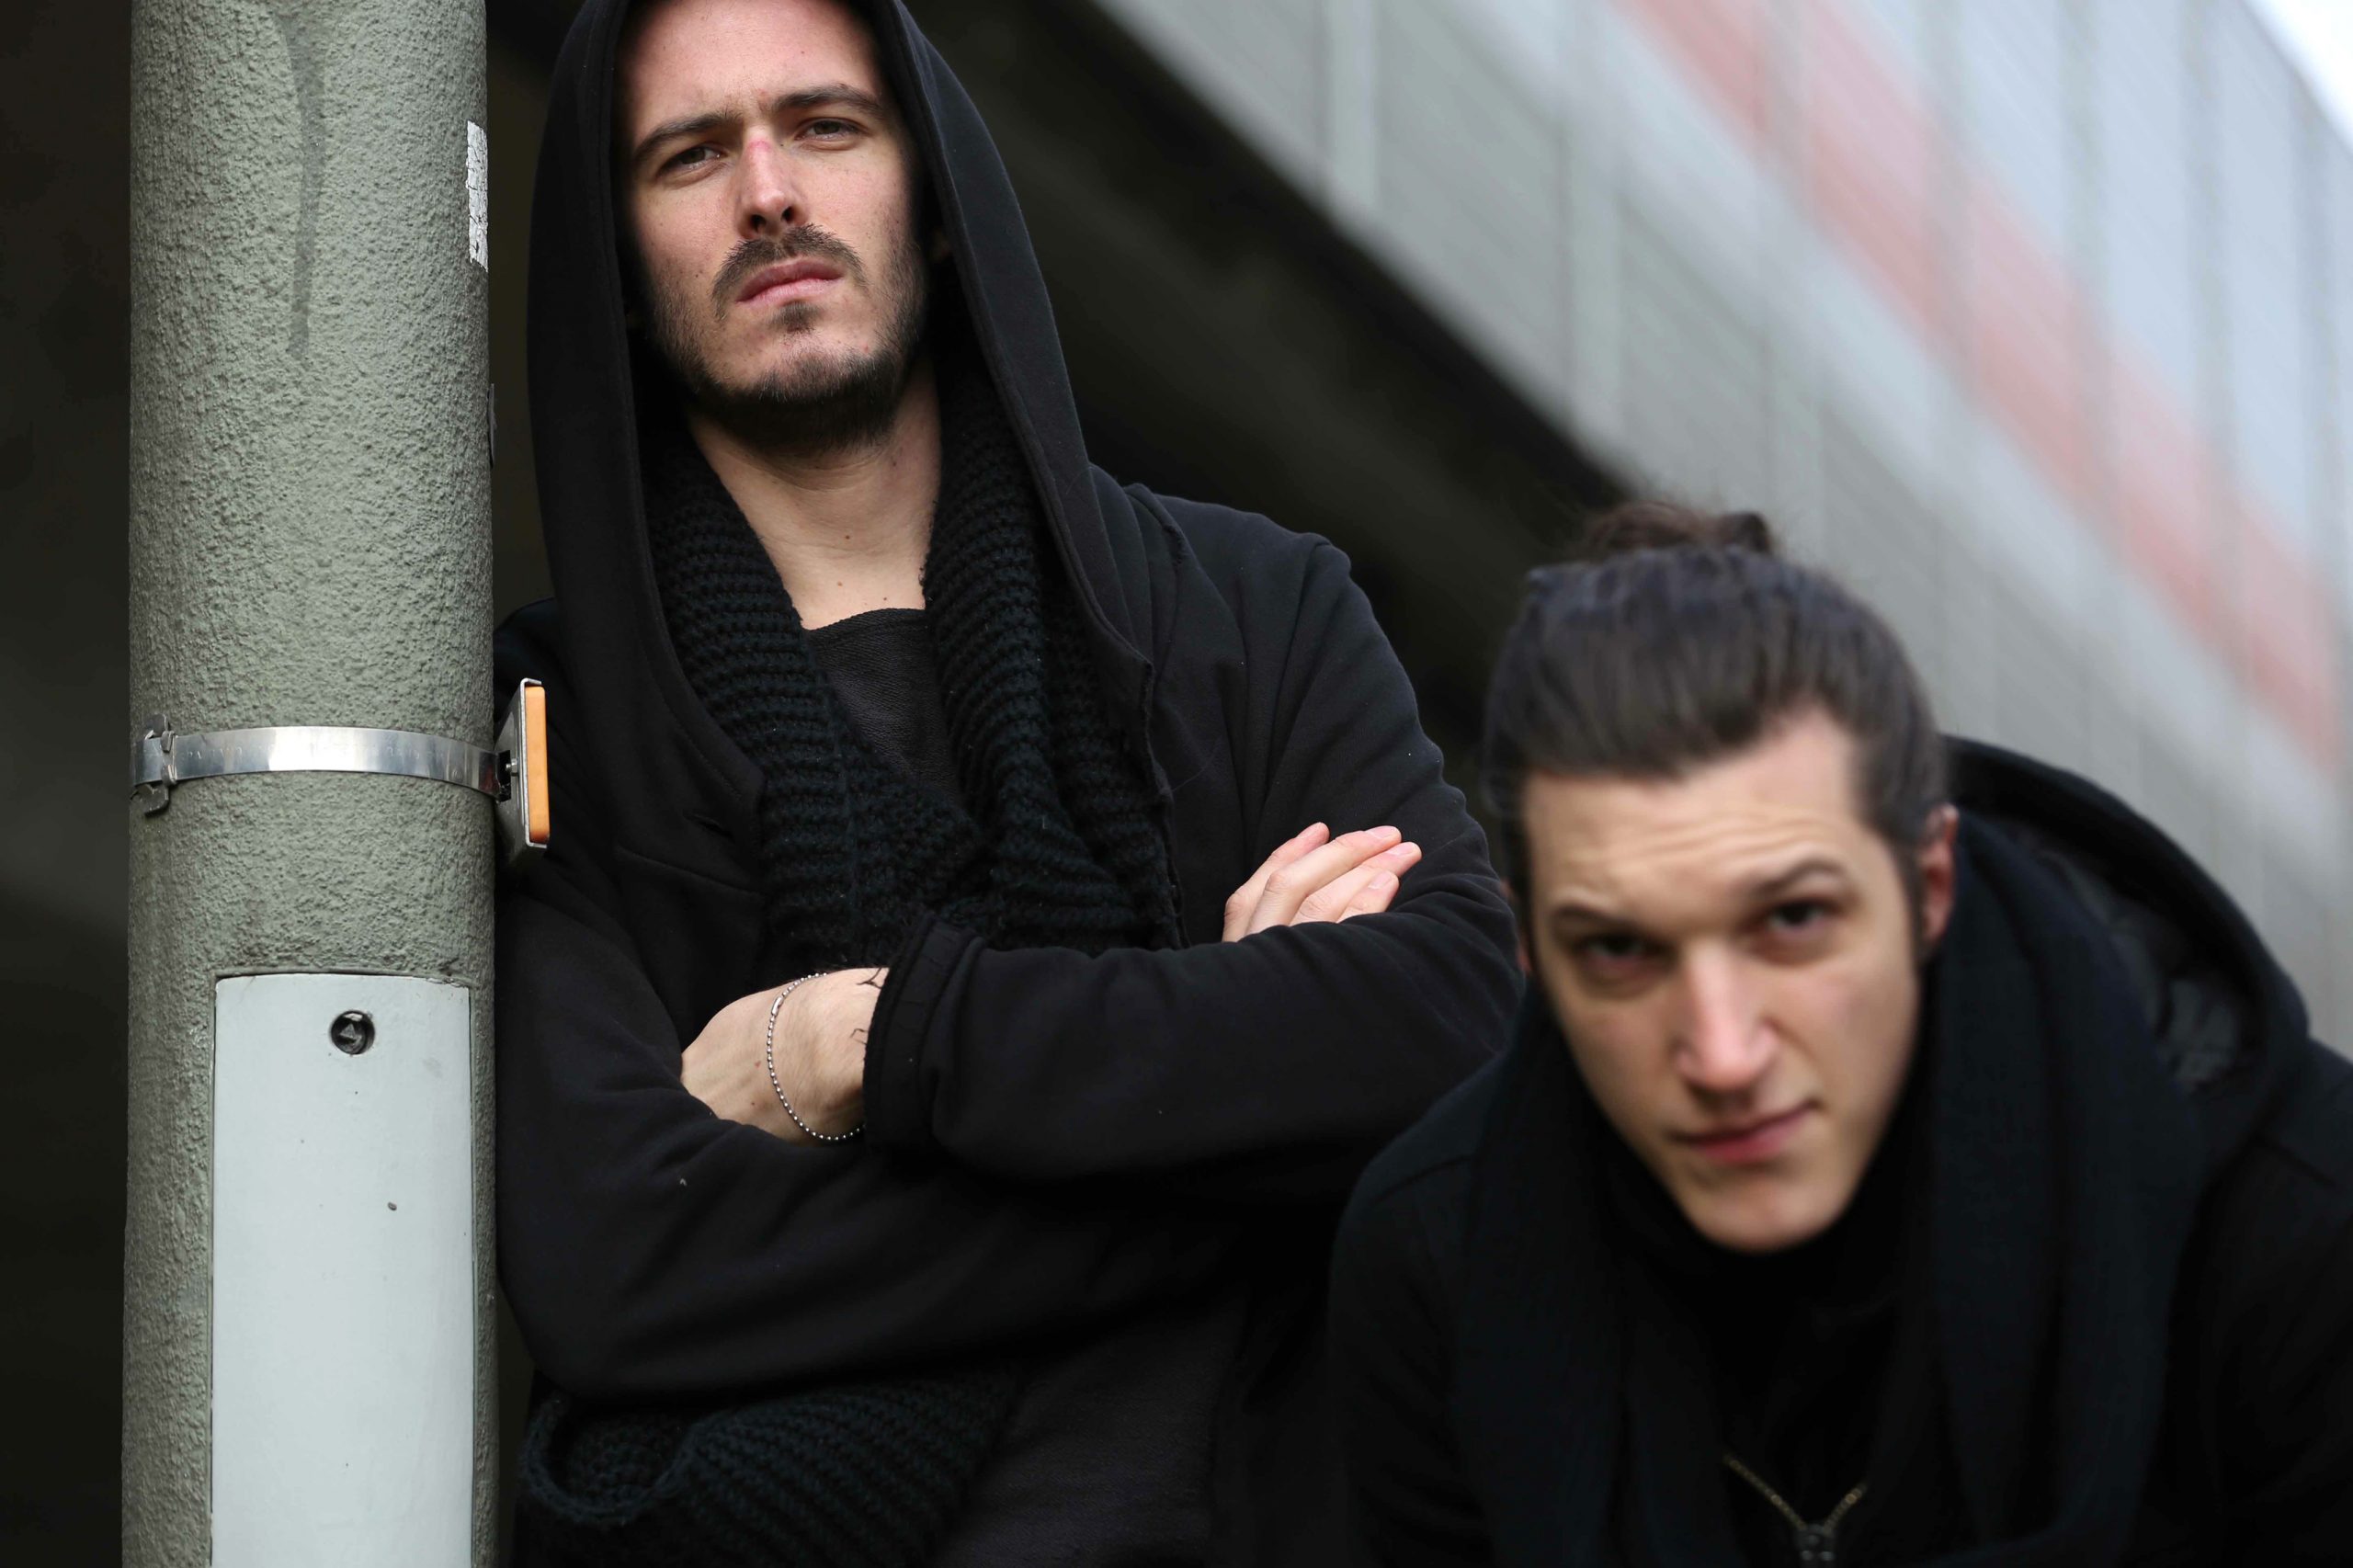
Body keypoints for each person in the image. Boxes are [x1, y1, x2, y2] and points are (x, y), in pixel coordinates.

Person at [491, 0, 1520, 1561]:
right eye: (689, 155)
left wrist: (872, 1037)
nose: (768, 191)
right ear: (621, 265)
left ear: (935, 195)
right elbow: (622, 1263)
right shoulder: (561, 719)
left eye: (826, 126)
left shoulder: (1252, 611)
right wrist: (1238, 1089)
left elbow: (1450, 1026)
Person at [1328, 504, 2353, 1566]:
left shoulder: (2291, 1238)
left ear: (1928, 885)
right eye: (1619, 950)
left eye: (1792, 921)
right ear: (1532, 953)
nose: (1722, 1053)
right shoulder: (1436, 1263)